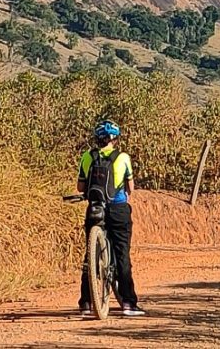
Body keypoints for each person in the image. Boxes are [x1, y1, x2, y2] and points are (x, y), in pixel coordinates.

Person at [76, 119, 145, 317]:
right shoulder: (123, 158)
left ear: (97, 138)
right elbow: (130, 188)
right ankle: (128, 304)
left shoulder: (87, 157)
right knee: (122, 254)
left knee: (90, 255)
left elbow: (80, 188)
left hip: (95, 208)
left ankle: (87, 303)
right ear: (115, 138)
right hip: (118, 209)